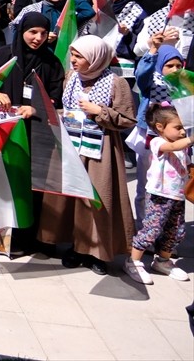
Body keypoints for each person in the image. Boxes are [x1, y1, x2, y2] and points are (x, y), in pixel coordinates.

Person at [38, 36, 134, 276]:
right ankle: (76, 246)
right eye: (73, 55)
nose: (74, 60)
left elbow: (128, 119)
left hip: (101, 151)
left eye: (79, 56)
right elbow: (68, 109)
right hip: (72, 146)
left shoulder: (116, 83)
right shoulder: (71, 78)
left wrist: (99, 111)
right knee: (73, 198)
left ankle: (98, 253)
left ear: (96, 57)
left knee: (98, 198)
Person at [123, 104, 192, 284]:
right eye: (178, 127)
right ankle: (134, 261)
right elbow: (173, 146)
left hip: (177, 195)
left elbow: (184, 159)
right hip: (159, 195)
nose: (183, 131)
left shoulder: (182, 146)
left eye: (184, 127)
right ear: (160, 127)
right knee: (152, 229)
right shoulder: (157, 142)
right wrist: (191, 139)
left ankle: (162, 260)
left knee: (175, 231)